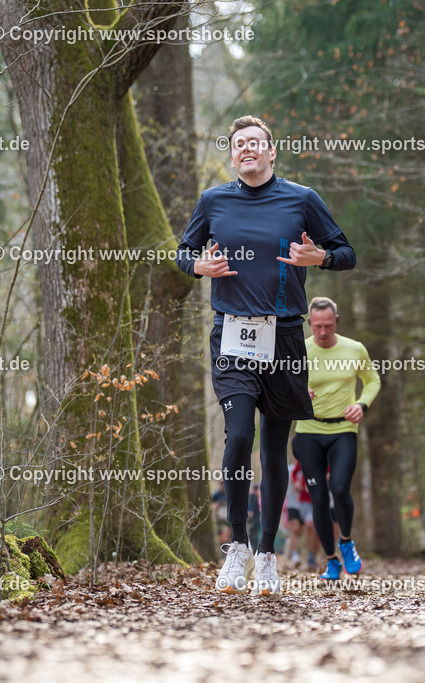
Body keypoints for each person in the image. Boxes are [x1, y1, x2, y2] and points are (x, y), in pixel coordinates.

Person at [175, 115, 356, 599]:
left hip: (286, 337)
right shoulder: (214, 201)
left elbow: (346, 252)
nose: (248, 149)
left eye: (256, 143)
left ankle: (266, 556)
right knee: (237, 439)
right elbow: (182, 250)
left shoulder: (301, 199)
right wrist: (197, 265)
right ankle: (236, 546)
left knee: (274, 454)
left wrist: (320, 259)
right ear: (232, 155)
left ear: (272, 153)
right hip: (232, 336)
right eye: (239, 144)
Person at [292, 296, 380, 580]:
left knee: (340, 488)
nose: (323, 332)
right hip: (308, 432)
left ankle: (346, 542)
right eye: (317, 326)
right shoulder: (299, 350)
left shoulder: (355, 349)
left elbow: (373, 380)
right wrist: (298, 392)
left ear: (336, 322)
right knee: (317, 498)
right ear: (310, 325)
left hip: (343, 429)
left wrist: (362, 404)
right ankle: (331, 561)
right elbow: (282, 383)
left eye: (328, 325)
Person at [283, 462, 319, 570]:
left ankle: (311, 558)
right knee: (296, 529)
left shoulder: (312, 468)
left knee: (311, 528)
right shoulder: (290, 470)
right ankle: (294, 557)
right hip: (293, 504)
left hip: (308, 503)